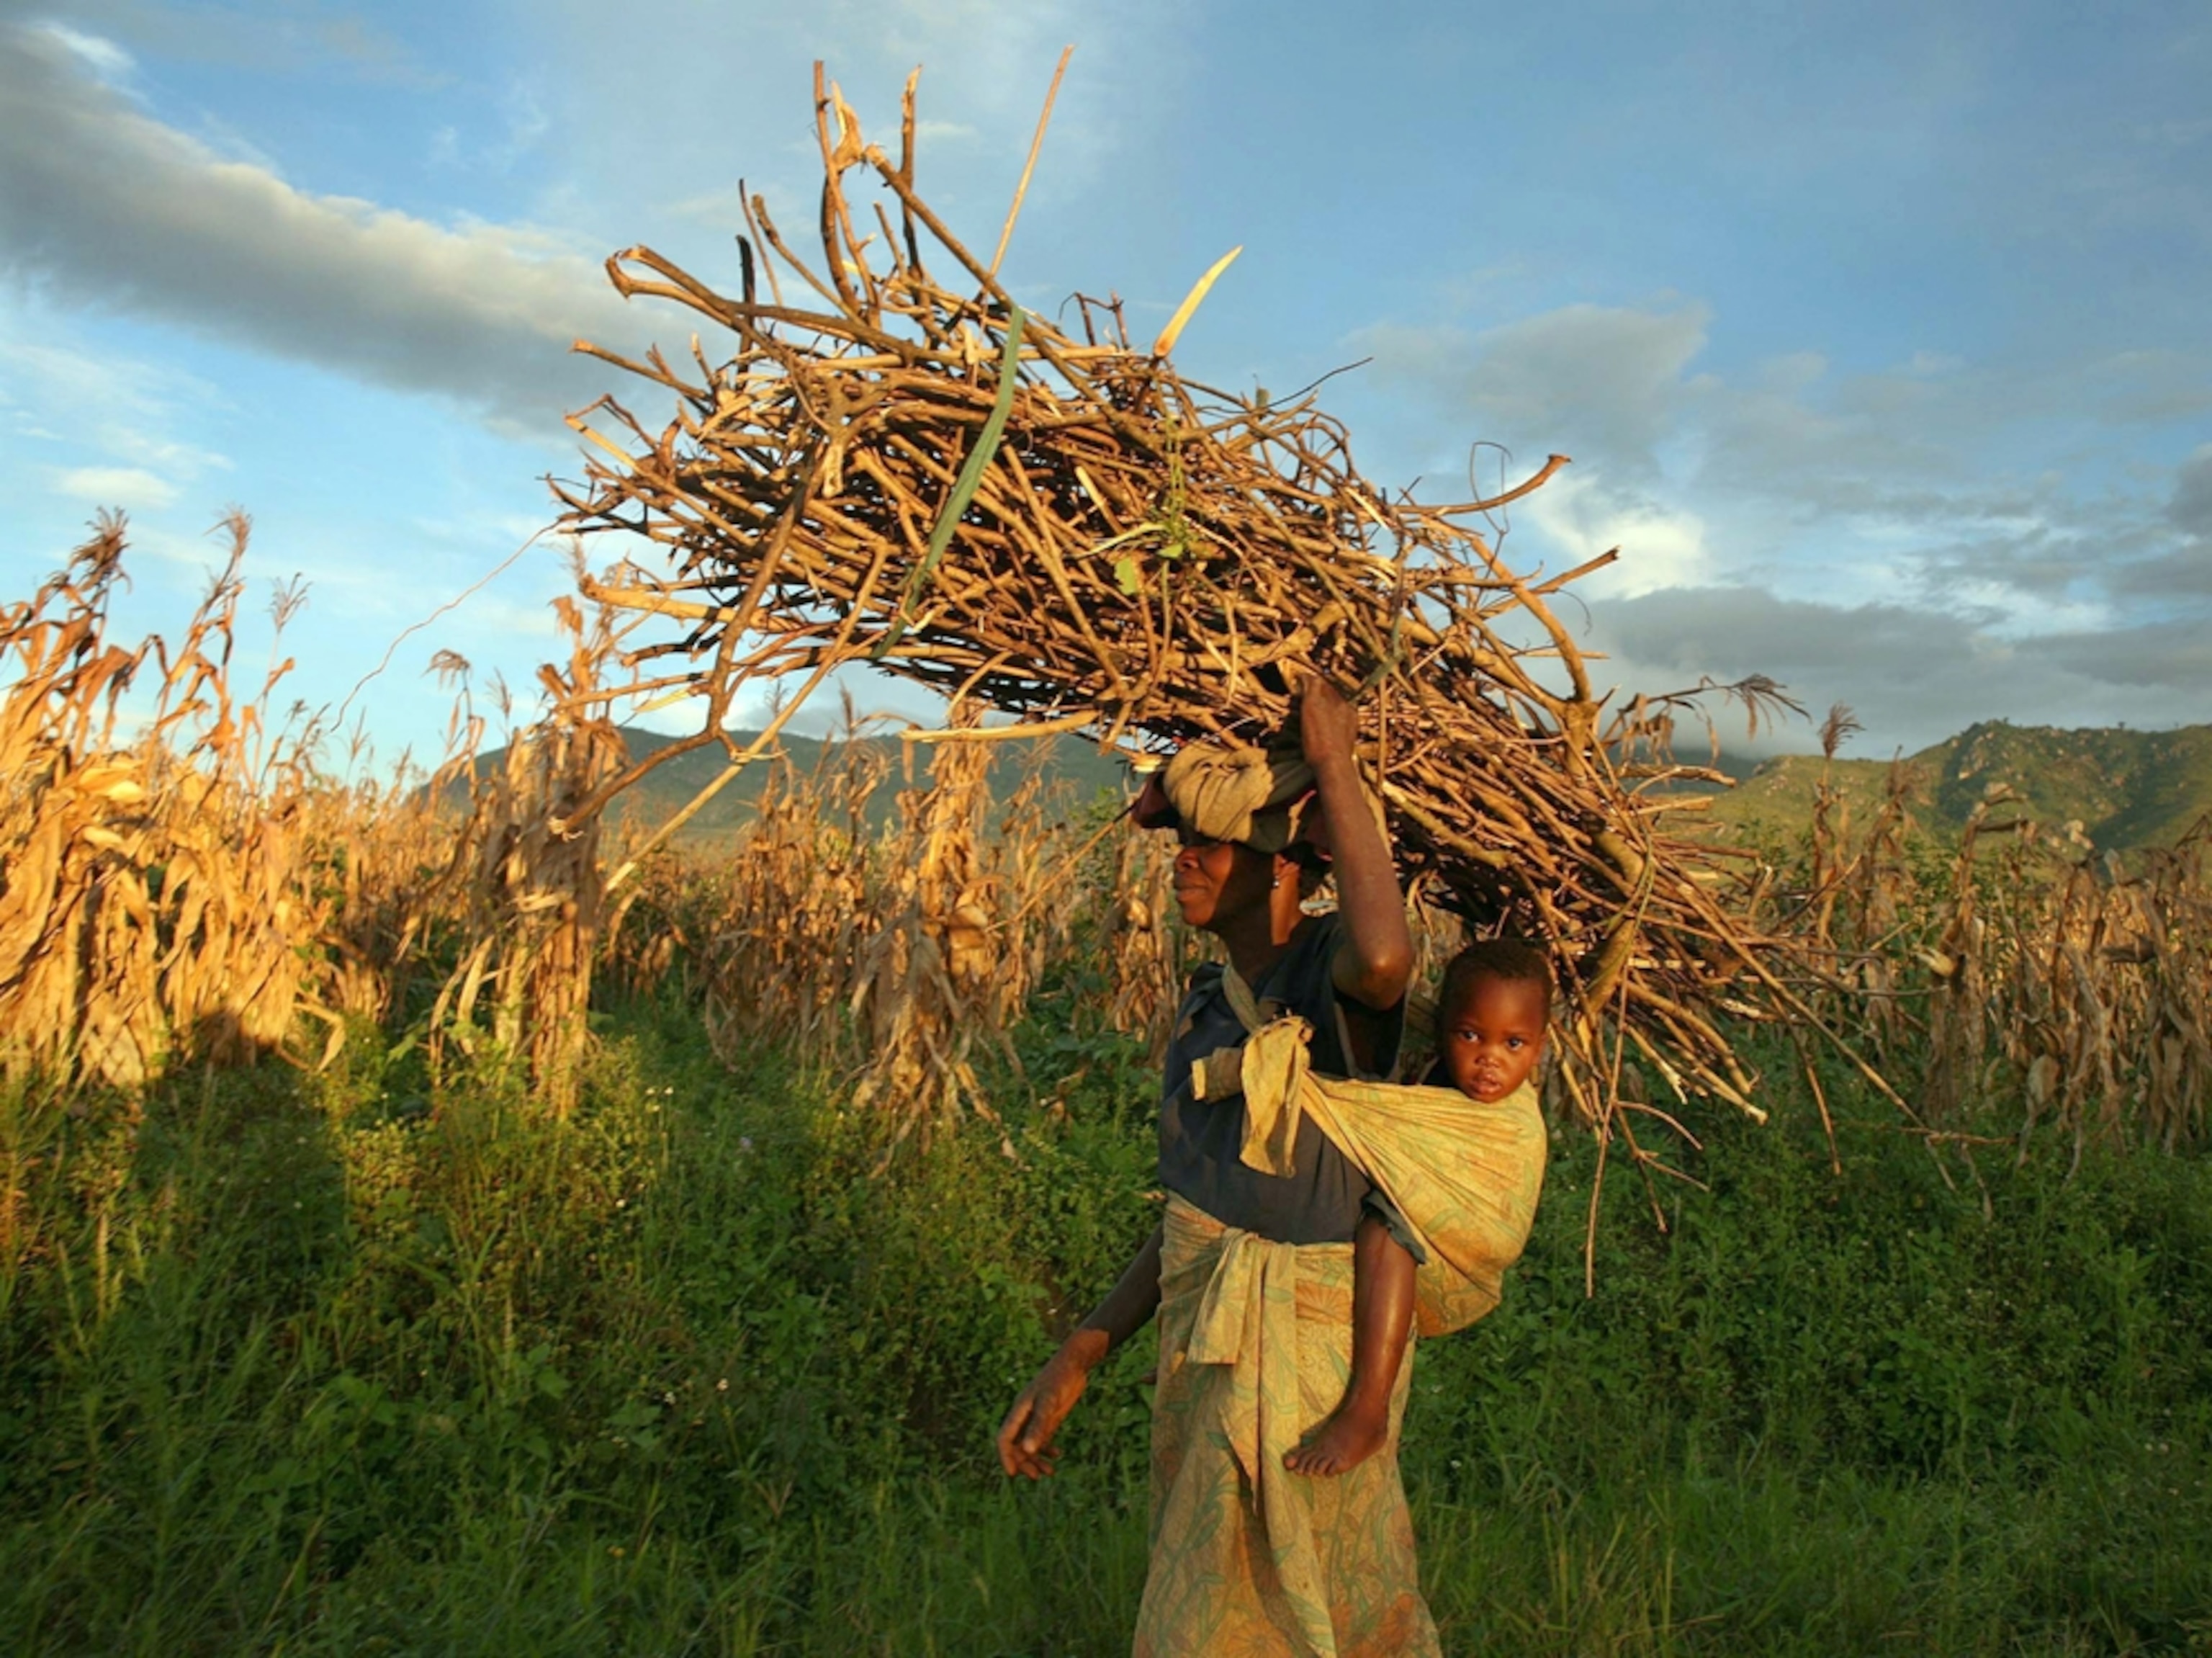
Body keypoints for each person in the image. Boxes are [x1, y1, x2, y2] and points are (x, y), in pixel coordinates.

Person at [996, 674, 1439, 1657]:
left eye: (1209, 842)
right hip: (1207, 1363)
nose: (1183, 861)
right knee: (1215, 1618)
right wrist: (1084, 1346)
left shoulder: (1326, 982)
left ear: (1281, 867)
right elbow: (1197, 1216)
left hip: (1315, 1379)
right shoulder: (1208, 1008)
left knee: (1334, 1611)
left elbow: (1387, 961)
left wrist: (1333, 762)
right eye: (1182, 841)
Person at [1282, 937, 1552, 1477]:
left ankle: (1367, 1407)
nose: (1489, 1060)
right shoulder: (1421, 1072)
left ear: (1540, 1046)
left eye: (1514, 1044)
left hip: (1469, 1231)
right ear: (1441, 1028)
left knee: (1386, 1229)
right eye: (1471, 1035)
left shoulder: (1512, 1122)